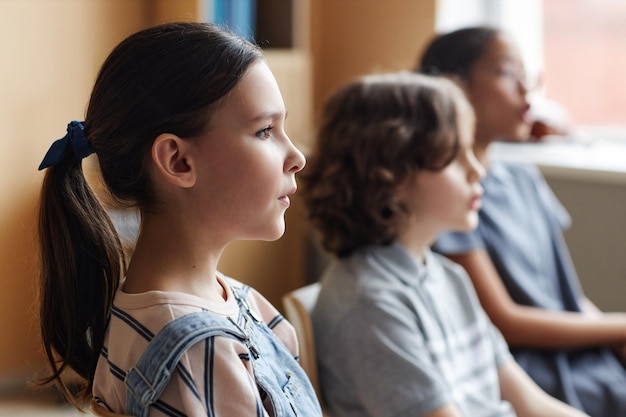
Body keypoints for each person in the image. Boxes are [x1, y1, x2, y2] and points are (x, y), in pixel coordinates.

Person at [36, 22, 322, 417]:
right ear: (178, 160)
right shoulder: (200, 352)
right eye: (265, 131)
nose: (297, 156)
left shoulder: (229, 301)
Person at [301, 71, 589, 417]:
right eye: (455, 157)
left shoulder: (447, 277)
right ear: (391, 178)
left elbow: (529, 402)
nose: (477, 171)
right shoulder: (370, 304)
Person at [418, 26, 626, 416]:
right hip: (526, 370)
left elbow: (568, 296)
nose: (525, 91)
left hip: (581, 354)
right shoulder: (451, 197)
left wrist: (613, 336)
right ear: (455, 86)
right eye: (506, 74)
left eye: (527, 77)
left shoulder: (523, 178)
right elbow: (504, 321)